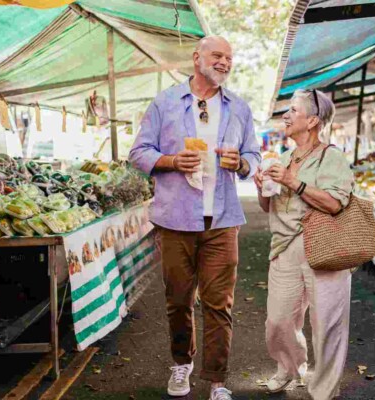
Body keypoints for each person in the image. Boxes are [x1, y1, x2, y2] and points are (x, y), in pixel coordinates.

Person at [129, 36, 260, 400]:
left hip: (222, 221)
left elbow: (255, 154)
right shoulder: (165, 102)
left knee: (220, 304)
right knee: (178, 301)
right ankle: (181, 364)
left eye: (229, 57)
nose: (224, 62)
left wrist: (243, 163)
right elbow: (138, 152)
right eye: (217, 55)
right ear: (197, 57)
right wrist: (171, 161)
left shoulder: (239, 109)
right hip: (175, 221)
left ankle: (218, 382)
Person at [254, 89, 354, 399]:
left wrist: (292, 182)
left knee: (327, 325)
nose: (285, 115)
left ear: (312, 121)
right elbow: (269, 207)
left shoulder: (332, 157)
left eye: (293, 110)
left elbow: (335, 203)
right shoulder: (284, 158)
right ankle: (290, 369)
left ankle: (324, 389)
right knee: (278, 320)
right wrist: (262, 188)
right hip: (283, 249)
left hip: (322, 247)